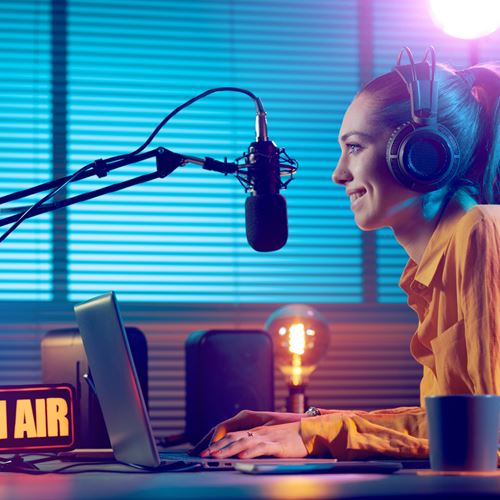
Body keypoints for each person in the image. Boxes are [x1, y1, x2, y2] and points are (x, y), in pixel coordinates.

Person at [199, 49, 500, 461]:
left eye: (354, 147)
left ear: (420, 153)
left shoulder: (479, 232)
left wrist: (323, 436)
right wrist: (308, 425)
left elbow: (489, 439)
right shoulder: (435, 262)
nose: (338, 174)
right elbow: (447, 425)